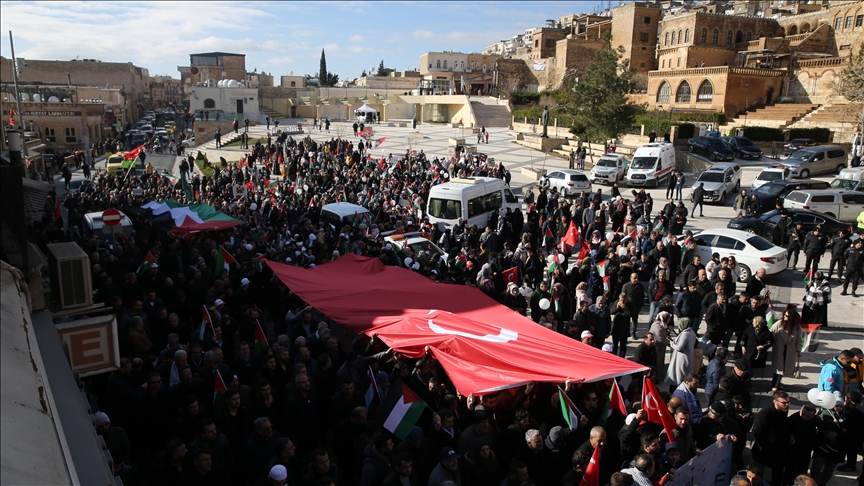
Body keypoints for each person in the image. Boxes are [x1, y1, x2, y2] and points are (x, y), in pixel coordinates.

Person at [752, 390, 793, 486]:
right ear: (775, 401)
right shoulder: (765, 413)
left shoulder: (783, 410)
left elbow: (784, 425)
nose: (787, 405)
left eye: (788, 402)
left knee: (778, 474)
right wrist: (767, 445)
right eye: (784, 403)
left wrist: (789, 435)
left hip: (779, 449)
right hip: (765, 450)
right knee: (758, 473)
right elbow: (757, 432)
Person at [769, 306, 801, 391]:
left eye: (787, 316)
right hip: (779, 348)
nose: (784, 317)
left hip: (790, 349)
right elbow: (771, 332)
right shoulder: (779, 323)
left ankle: (777, 384)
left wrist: (798, 350)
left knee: (784, 368)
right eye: (785, 315)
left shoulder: (796, 327)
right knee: (778, 368)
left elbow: (798, 340)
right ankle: (775, 385)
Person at [664, 317, 696, 391]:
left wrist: (672, 344)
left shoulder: (685, 334)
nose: (679, 327)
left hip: (681, 359)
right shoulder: (692, 332)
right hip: (688, 357)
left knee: (678, 377)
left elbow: (679, 347)